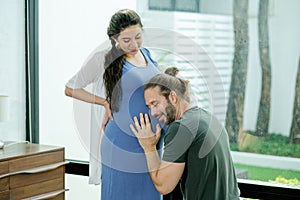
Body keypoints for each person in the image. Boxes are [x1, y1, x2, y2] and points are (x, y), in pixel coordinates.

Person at [65, 9, 164, 200]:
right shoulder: (103, 59)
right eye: (127, 40)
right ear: (114, 38)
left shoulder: (147, 54)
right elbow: (70, 88)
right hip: (121, 144)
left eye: (138, 36)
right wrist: (104, 102)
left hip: (151, 144)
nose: (134, 44)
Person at [130, 67, 241, 200]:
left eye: (155, 104)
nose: (153, 113)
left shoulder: (181, 128)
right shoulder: (208, 118)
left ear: (172, 97)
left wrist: (149, 146)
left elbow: (164, 186)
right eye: (149, 107)